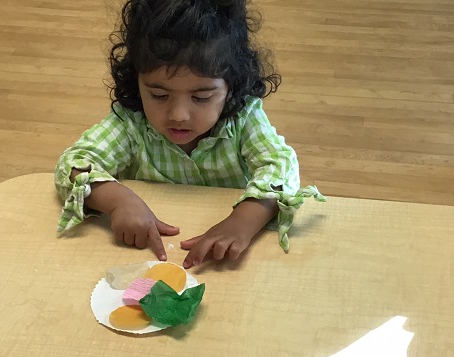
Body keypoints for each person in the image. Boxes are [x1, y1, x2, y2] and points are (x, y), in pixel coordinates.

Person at [55, 0, 325, 269]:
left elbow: (281, 166)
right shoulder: (131, 122)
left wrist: (243, 221)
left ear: (232, 86)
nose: (178, 115)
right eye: (159, 95)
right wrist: (117, 201)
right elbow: (74, 163)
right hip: (145, 259)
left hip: (225, 262)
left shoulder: (244, 119)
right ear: (136, 81)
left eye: (201, 97)